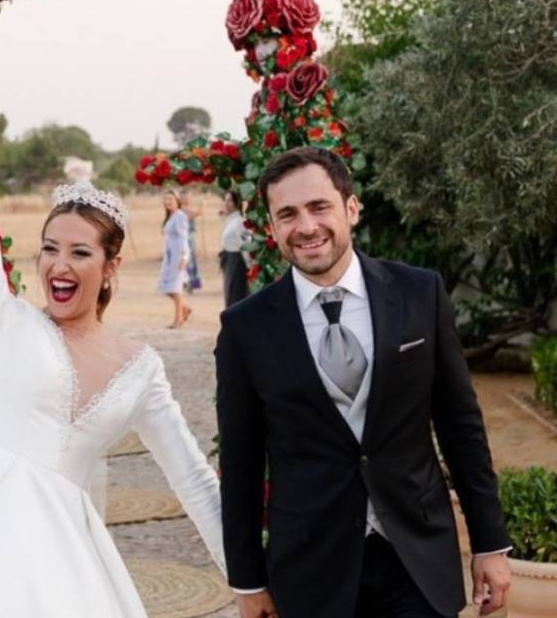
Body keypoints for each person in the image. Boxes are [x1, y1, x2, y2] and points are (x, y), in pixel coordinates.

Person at [0, 32, 224, 617]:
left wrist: (249, 580)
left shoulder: (142, 370)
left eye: (80, 254)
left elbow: (194, 482)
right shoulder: (5, 323)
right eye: (50, 248)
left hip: (68, 570)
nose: (59, 265)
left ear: (109, 269)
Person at [215, 147, 511, 618]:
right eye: (287, 214)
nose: (306, 227)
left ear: (351, 209)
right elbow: (241, 464)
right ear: (271, 228)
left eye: (319, 207)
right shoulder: (245, 328)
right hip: (311, 571)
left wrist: (490, 543)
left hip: (416, 558)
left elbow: (460, 426)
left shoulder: (420, 293)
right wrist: (248, 580)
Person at [157, 189, 192, 328]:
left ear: (177, 201)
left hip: (178, 257)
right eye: (165, 200)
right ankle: (185, 309)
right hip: (169, 258)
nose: (167, 202)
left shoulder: (180, 216)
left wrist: (184, 257)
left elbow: (184, 238)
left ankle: (178, 320)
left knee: (175, 289)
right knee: (168, 289)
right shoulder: (170, 217)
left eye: (170, 199)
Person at [219, 190, 250, 307]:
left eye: (230, 201)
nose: (226, 203)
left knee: (235, 294)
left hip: (237, 262)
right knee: (229, 293)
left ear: (237, 202)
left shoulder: (240, 222)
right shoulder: (230, 220)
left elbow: (246, 244)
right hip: (229, 261)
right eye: (225, 200)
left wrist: (249, 266)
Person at [179, 188, 202, 293]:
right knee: (189, 261)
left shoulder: (184, 208)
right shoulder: (183, 209)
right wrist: (203, 204)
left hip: (190, 237)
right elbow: (197, 213)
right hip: (187, 238)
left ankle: (188, 283)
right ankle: (188, 283)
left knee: (190, 260)